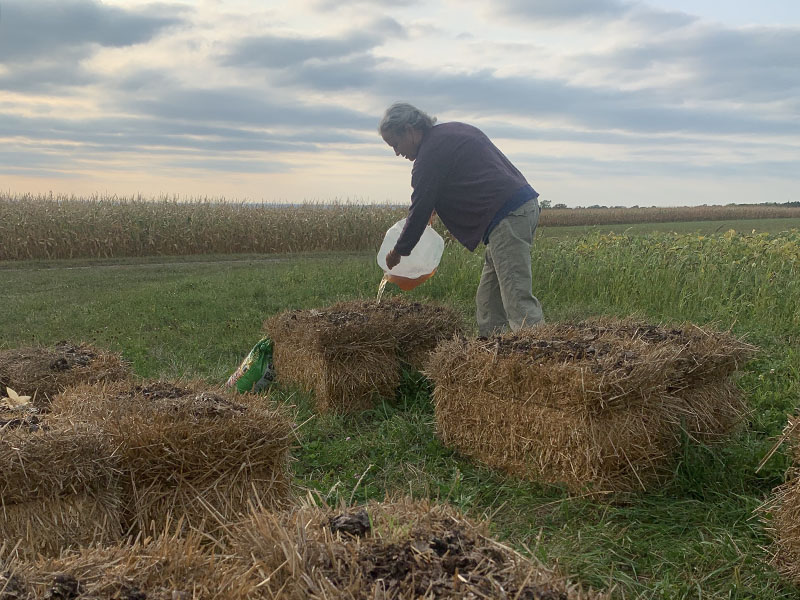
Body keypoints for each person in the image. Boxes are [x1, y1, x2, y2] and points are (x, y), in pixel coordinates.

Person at [379, 102, 544, 337]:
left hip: (508, 216)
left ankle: (542, 357)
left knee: (517, 298)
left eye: (395, 143)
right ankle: (491, 352)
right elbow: (466, 174)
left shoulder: (429, 154)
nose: (397, 152)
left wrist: (399, 251)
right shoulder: (450, 132)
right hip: (515, 210)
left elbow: (419, 208)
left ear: (409, 129)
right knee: (488, 301)